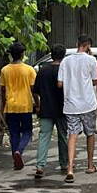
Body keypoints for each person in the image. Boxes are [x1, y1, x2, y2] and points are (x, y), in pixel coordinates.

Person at [57, 35, 97, 183]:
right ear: (88, 46)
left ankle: (70, 168)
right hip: (87, 104)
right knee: (90, 133)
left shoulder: (65, 61)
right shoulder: (91, 60)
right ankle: (90, 165)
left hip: (70, 105)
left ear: (77, 44)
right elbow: (95, 81)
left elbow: (60, 84)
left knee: (72, 135)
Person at [32, 44, 68, 178]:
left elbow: (35, 91)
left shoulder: (43, 70)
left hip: (46, 108)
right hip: (63, 109)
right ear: (63, 56)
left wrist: (38, 105)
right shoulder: (64, 70)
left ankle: (40, 165)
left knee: (44, 136)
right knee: (63, 137)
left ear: (51, 55)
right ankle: (64, 163)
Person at [0, 42, 37, 170]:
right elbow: (34, 89)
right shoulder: (29, 70)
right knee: (27, 132)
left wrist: (3, 106)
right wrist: (37, 104)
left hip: (10, 106)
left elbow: (3, 90)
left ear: (11, 55)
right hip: (25, 105)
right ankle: (19, 151)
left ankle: (15, 158)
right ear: (22, 54)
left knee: (14, 134)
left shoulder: (4, 70)